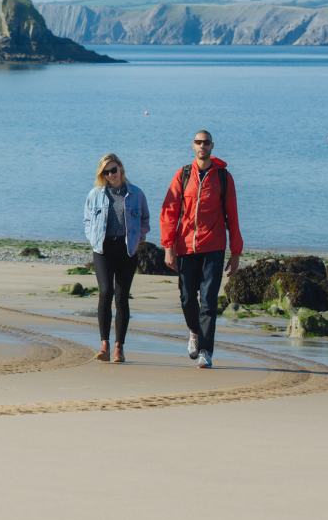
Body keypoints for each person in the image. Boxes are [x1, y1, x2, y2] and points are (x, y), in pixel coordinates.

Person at [159, 131, 243, 369]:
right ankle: (194, 332)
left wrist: (235, 253)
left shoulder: (224, 178)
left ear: (212, 146)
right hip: (185, 246)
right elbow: (169, 212)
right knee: (187, 299)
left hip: (214, 248)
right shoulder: (183, 175)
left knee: (208, 301)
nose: (202, 145)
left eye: (206, 142)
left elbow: (233, 218)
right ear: (193, 146)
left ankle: (206, 350)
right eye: (198, 142)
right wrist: (168, 247)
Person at [84, 153, 150, 363]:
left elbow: (145, 220)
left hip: (127, 249)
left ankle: (119, 348)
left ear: (121, 168)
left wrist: (139, 237)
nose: (111, 174)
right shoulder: (95, 194)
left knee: (122, 297)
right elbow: (87, 220)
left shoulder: (136, 194)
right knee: (106, 292)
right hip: (102, 248)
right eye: (106, 171)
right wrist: (93, 238)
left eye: (113, 169)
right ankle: (104, 344)